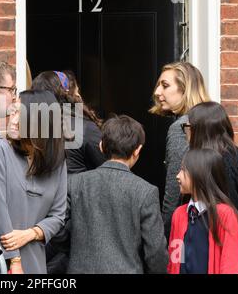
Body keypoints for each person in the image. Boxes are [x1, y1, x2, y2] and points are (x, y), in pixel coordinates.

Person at [67, 115, 168, 273]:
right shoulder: (146, 192)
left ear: (101, 146)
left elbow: (59, 232)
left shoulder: (75, 183)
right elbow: (156, 252)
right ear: (137, 151)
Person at [0, 90, 67, 274]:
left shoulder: (57, 162)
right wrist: (15, 259)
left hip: (35, 258)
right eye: (13, 112)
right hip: (1, 260)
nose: (12, 120)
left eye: (20, 114)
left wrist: (30, 234)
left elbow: (58, 215)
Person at [149, 61, 210, 238]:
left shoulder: (181, 127)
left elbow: (174, 190)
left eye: (165, 85)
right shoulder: (209, 122)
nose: (157, 92)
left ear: (185, 89)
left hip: (187, 226)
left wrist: (165, 237)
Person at [186, 101, 238, 273]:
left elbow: (231, 205)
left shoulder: (223, 160)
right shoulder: (224, 156)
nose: (186, 131)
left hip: (219, 241)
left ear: (202, 129)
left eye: (189, 126)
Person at [168, 149, 238, 274]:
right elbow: (174, 260)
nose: (178, 175)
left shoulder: (225, 215)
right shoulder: (179, 214)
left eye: (183, 170)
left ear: (199, 174)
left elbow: (230, 267)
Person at [31, 70, 106, 174]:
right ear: (65, 93)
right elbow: (107, 168)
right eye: (76, 91)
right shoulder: (84, 128)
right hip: (77, 188)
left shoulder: (29, 128)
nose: (78, 95)